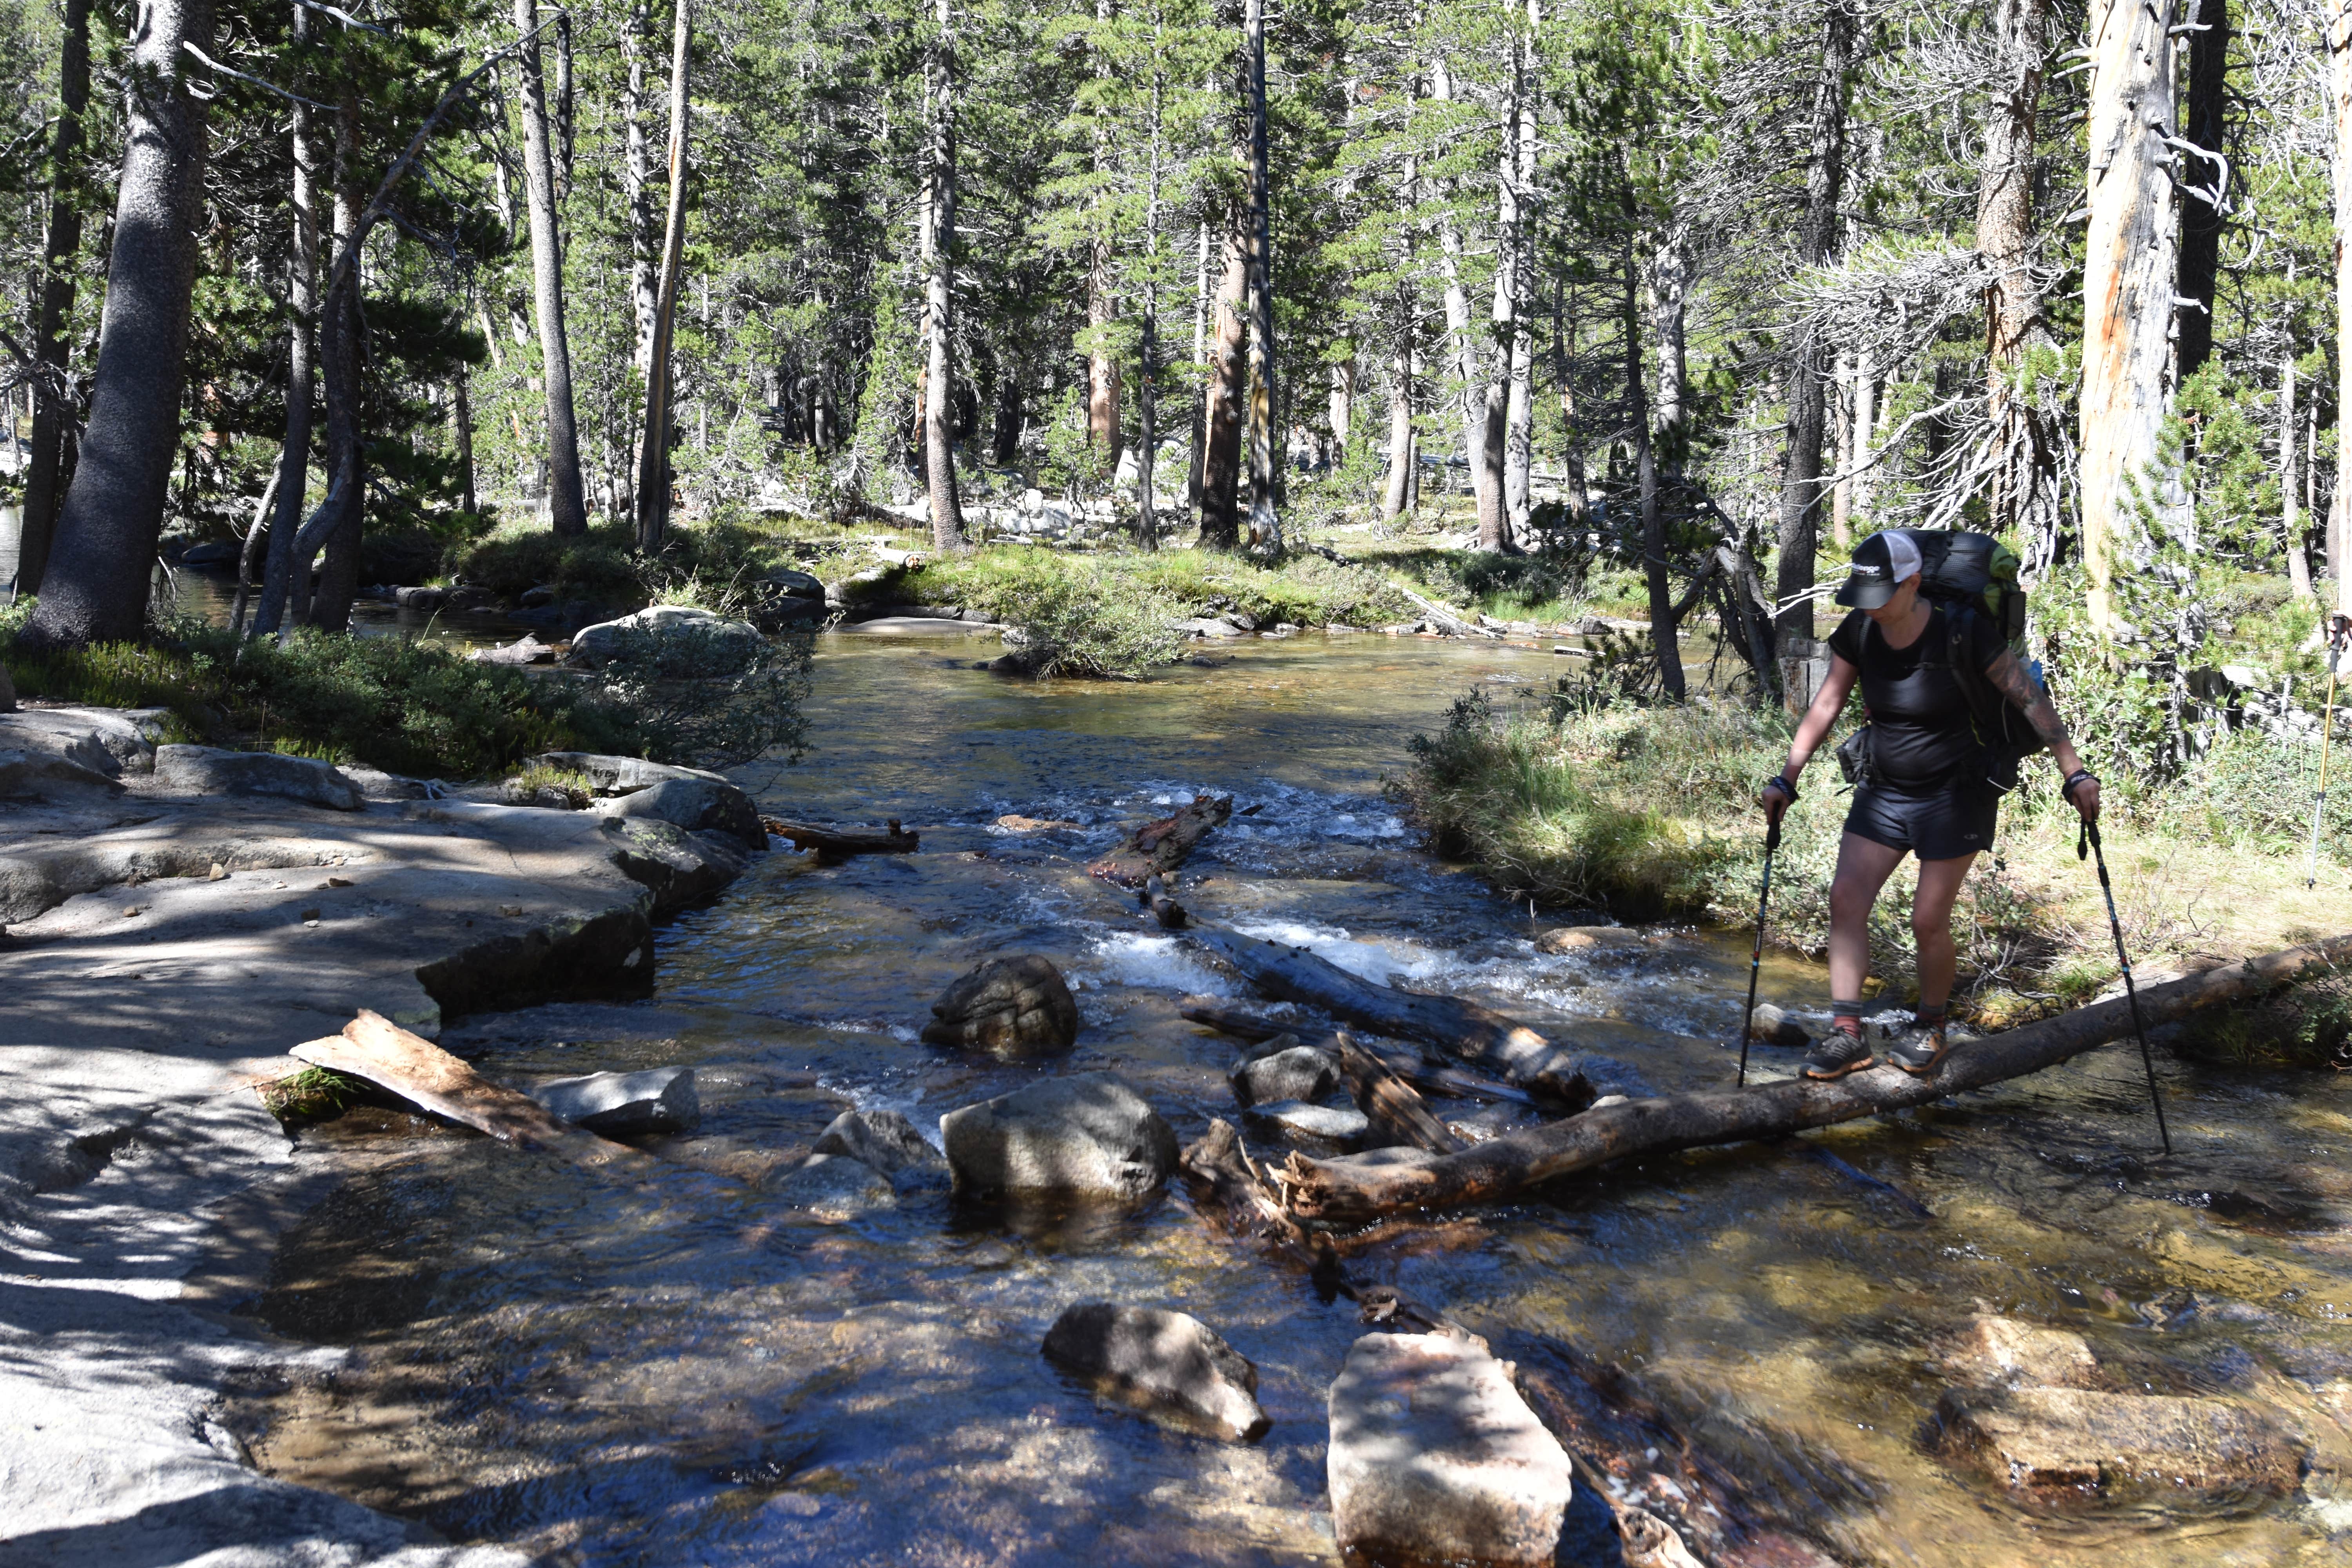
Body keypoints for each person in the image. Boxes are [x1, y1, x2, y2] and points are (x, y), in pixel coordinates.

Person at [1759, 530, 2102, 1079]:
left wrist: (2074, 771)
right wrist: (1787, 777)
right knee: (1846, 900)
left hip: (1956, 794)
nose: (1871, 608)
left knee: (1927, 919)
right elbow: (1826, 705)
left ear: (1912, 583)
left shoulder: (1962, 630)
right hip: (1884, 789)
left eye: (1881, 596)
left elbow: (2028, 698)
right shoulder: (1860, 630)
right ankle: (1848, 1035)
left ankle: (1930, 1024)